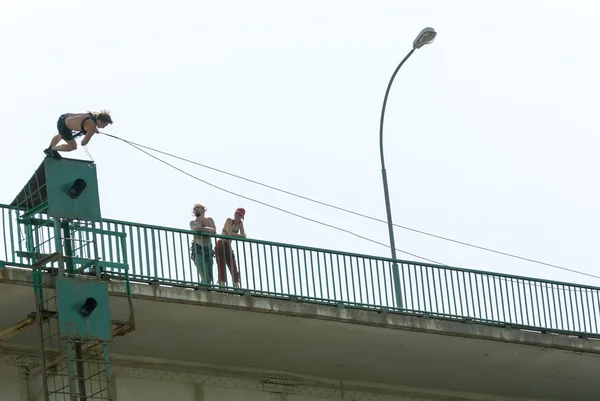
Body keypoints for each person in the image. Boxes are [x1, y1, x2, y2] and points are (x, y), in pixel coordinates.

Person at [44, 111, 113, 158]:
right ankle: (52, 149)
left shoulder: (91, 115)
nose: (103, 127)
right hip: (64, 128)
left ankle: (50, 148)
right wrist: (91, 133)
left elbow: (86, 123)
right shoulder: (92, 128)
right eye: (104, 125)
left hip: (63, 118)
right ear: (99, 121)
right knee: (73, 146)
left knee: (60, 135)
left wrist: (92, 130)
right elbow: (83, 143)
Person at [216, 207, 246, 288]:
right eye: (236, 214)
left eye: (239, 215)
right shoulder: (229, 220)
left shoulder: (240, 224)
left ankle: (236, 287)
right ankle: (222, 286)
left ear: (242, 217)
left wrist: (239, 235)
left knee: (233, 266)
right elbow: (230, 234)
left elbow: (244, 236)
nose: (237, 216)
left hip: (228, 245)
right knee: (222, 266)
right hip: (221, 243)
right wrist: (240, 235)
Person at [189, 204, 216, 284]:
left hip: (208, 249)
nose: (196, 209)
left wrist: (201, 230)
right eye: (194, 208)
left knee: (209, 275)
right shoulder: (193, 222)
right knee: (202, 270)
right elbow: (195, 229)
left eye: (198, 207)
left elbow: (214, 231)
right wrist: (207, 229)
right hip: (198, 248)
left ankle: (204, 288)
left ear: (203, 210)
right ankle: (204, 288)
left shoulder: (209, 220)